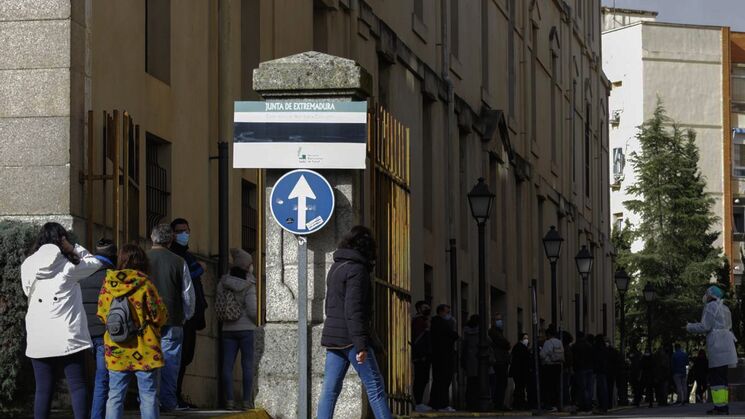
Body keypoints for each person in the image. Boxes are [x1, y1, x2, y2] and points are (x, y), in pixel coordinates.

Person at [21, 223, 103, 419]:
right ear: (62, 240)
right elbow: (95, 263)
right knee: (77, 385)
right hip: (68, 337)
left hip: (39, 335)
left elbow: (26, 291)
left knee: (43, 389)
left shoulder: (28, 265)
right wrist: (73, 247)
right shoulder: (69, 267)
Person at [317, 226, 392, 419]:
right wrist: (361, 346)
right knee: (375, 387)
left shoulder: (336, 267)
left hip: (333, 338)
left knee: (330, 390)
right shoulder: (357, 270)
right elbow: (354, 310)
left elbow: (331, 305)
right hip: (351, 338)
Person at [98, 244, 168, 419]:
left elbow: (101, 315)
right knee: (148, 396)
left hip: (116, 348)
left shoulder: (108, 284)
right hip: (145, 349)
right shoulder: (145, 284)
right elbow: (159, 316)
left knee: (114, 396)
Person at [147, 223, 195, 412]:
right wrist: (186, 315)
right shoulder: (178, 261)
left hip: (147, 320)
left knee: (148, 361)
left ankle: (150, 401)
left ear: (152, 238)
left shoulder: (142, 259)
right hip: (173, 318)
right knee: (170, 362)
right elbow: (187, 294)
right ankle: (168, 401)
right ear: (170, 240)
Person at [169, 218, 208, 410]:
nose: (184, 234)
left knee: (185, 358)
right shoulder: (175, 256)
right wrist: (200, 268)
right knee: (179, 358)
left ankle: (176, 395)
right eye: (179, 231)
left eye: (186, 230)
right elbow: (184, 277)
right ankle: (173, 396)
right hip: (181, 317)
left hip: (190, 317)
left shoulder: (186, 255)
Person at [80, 239, 117, 419]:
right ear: (114, 256)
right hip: (104, 335)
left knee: (80, 380)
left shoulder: (82, 273)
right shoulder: (113, 277)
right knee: (102, 379)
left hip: (82, 334)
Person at [686, 285, 738, 415]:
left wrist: (689, 326)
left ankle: (719, 407)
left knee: (716, 378)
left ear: (710, 295)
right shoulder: (725, 308)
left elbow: (705, 326)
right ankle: (723, 406)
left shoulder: (710, 307)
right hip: (727, 345)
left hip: (717, 345)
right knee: (723, 378)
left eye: (706, 293)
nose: (705, 296)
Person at [218, 248, 258, 410]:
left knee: (227, 366)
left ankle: (229, 401)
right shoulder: (249, 284)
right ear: (246, 266)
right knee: (247, 365)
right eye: (250, 264)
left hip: (227, 328)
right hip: (246, 329)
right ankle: (246, 401)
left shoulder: (223, 282)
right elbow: (252, 310)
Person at [430, 304, 459, 411]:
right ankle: (442, 404)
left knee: (440, 380)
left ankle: (435, 403)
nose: (449, 315)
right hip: (442, 356)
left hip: (442, 355)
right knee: (443, 380)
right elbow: (452, 335)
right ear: (441, 312)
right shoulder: (439, 323)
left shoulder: (438, 322)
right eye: (447, 312)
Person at [411, 300, 433, 411]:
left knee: (423, 379)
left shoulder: (424, 321)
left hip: (425, 355)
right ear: (419, 309)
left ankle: (419, 402)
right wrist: (421, 355)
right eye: (425, 307)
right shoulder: (418, 321)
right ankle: (418, 403)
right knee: (420, 379)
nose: (427, 309)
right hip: (421, 356)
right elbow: (418, 340)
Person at [489, 314, 511, 410]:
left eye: (500, 319)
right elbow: (505, 343)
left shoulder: (498, 332)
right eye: (498, 319)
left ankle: (499, 403)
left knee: (502, 383)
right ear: (493, 321)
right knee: (500, 383)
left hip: (501, 360)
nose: (500, 321)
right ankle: (498, 404)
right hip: (499, 361)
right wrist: (506, 343)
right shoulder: (493, 332)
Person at [540, 326, 564, 411]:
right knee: (557, 385)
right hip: (558, 365)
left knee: (548, 386)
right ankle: (557, 404)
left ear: (548, 334)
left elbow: (542, 355)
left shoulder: (548, 342)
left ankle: (549, 404)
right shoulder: (559, 342)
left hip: (549, 366)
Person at [572, 332, 594, 412]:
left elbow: (573, 358)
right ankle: (589, 404)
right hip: (590, 368)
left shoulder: (575, 346)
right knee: (589, 388)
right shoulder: (589, 346)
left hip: (580, 369)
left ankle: (585, 405)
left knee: (582, 388)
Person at [509, 333, 531, 410]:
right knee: (520, 387)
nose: (527, 340)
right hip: (520, 372)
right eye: (525, 338)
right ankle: (519, 403)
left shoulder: (518, 347)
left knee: (519, 387)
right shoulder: (520, 347)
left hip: (518, 371)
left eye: (527, 338)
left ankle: (518, 403)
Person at [593, 335, 610, 414]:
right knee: (603, 390)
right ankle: (604, 407)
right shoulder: (606, 349)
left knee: (600, 390)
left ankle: (601, 407)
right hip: (604, 371)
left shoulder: (596, 349)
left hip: (599, 371)